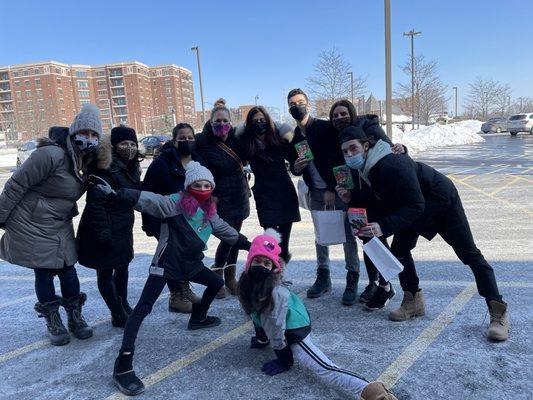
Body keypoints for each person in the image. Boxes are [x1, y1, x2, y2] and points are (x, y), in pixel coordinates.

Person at [91, 161, 251, 396]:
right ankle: (123, 365)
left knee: (216, 283)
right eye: (198, 184)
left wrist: (252, 245)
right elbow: (150, 200)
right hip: (166, 264)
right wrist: (117, 194)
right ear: (188, 186)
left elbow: (226, 230)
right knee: (143, 309)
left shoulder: (209, 211)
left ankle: (198, 318)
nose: (203, 188)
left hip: (191, 264)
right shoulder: (175, 203)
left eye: (207, 185)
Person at [336, 126, 509, 341]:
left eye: (353, 148)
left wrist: (383, 226)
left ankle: (497, 310)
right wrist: (349, 202)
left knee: (469, 254)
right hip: (411, 209)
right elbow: (379, 202)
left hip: (441, 202)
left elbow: (416, 204)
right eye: (345, 151)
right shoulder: (365, 170)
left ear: (365, 145)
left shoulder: (392, 163)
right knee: (400, 251)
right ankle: (413, 301)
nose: (350, 155)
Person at [237, 230, 398, 400]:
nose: (261, 266)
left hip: (294, 329)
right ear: (249, 263)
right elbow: (256, 316)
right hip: (275, 324)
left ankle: (373, 391)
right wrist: (262, 339)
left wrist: (284, 358)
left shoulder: (276, 293)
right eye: (257, 261)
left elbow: (275, 328)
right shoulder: (247, 283)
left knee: (323, 367)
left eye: (266, 263)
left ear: (273, 268)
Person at [0, 103, 102, 346]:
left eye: (94, 135)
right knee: (44, 271)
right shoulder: (50, 155)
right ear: (73, 132)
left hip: (59, 222)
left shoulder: (83, 160)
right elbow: (16, 185)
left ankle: (75, 316)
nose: (88, 138)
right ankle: (53, 320)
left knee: (68, 269)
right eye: (84, 133)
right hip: (32, 221)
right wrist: (1, 216)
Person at [286, 88, 362, 306]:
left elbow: (339, 157)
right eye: (292, 103)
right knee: (321, 233)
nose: (296, 106)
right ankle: (323, 275)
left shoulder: (324, 127)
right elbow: (296, 166)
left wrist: (332, 187)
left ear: (308, 104)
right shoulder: (296, 136)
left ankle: (352, 276)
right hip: (315, 192)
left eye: (300, 102)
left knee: (347, 233)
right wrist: (296, 168)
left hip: (337, 189)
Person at [329, 100, 400, 308]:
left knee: (378, 240)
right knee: (367, 241)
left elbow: (389, 148)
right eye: (335, 115)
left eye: (343, 113)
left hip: (374, 193)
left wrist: (401, 149)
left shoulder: (368, 129)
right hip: (355, 196)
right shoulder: (335, 136)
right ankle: (375, 283)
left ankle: (386, 284)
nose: (339, 118)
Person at [77, 125, 142, 327]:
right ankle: (117, 313)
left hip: (123, 226)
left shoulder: (132, 167)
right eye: (124, 143)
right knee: (105, 272)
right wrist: (103, 233)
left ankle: (123, 304)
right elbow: (95, 203)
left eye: (132, 144)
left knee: (122, 268)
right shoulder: (104, 166)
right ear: (114, 145)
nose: (129, 148)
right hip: (102, 227)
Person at [141, 123, 203, 313]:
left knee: (186, 255)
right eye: (182, 138)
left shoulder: (198, 161)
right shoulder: (162, 163)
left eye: (190, 138)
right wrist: (151, 224)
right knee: (171, 258)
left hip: (190, 221)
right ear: (174, 141)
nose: (186, 141)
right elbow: (147, 193)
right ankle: (175, 296)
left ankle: (184, 288)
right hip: (166, 221)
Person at [196, 102, 250, 298]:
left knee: (235, 237)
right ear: (210, 122)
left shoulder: (236, 137)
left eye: (225, 121)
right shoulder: (202, 140)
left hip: (239, 194)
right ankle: (218, 277)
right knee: (227, 238)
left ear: (230, 122)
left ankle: (230, 278)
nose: (221, 124)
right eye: (217, 121)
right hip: (219, 198)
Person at [237, 105, 300, 263]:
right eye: (255, 121)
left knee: (284, 243)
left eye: (263, 120)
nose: (259, 123)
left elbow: (295, 159)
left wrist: (279, 125)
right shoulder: (247, 143)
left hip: (284, 192)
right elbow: (234, 138)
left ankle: (281, 275)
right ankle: (271, 275)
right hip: (265, 195)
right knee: (271, 240)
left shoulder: (278, 139)